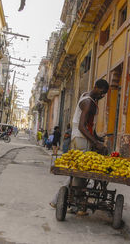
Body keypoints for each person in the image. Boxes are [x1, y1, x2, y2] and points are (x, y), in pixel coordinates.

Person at [50, 79, 109, 214]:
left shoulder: (87, 97)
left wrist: (97, 137)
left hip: (82, 138)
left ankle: (73, 204)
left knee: (78, 173)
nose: (102, 95)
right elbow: (82, 126)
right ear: (96, 87)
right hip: (81, 139)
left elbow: (88, 125)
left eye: (104, 94)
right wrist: (95, 143)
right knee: (78, 173)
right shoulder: (88, 102)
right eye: (101, 92)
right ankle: (65, 202)